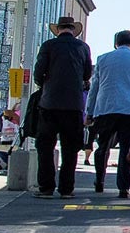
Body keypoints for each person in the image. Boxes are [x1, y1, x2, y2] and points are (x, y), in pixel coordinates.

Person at [32, 15, 93, 199]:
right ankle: (66, 189)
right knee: (70, 148)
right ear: (73, 30)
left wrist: (45, 85)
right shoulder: (83, 47)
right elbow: (87, 74)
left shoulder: (48, 46)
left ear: (58, 29)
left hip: (49, 103)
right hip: (74, 105)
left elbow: (38, 73)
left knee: (45, 146)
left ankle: (46, 187)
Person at [85, 30, 130, 197]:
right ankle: (123, 187)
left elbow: (95, 88)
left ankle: (99, 180)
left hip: (105, 108)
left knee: (103, 146)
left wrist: (89, 111)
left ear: (115, 43)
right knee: (126, 149)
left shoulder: (103, 59)